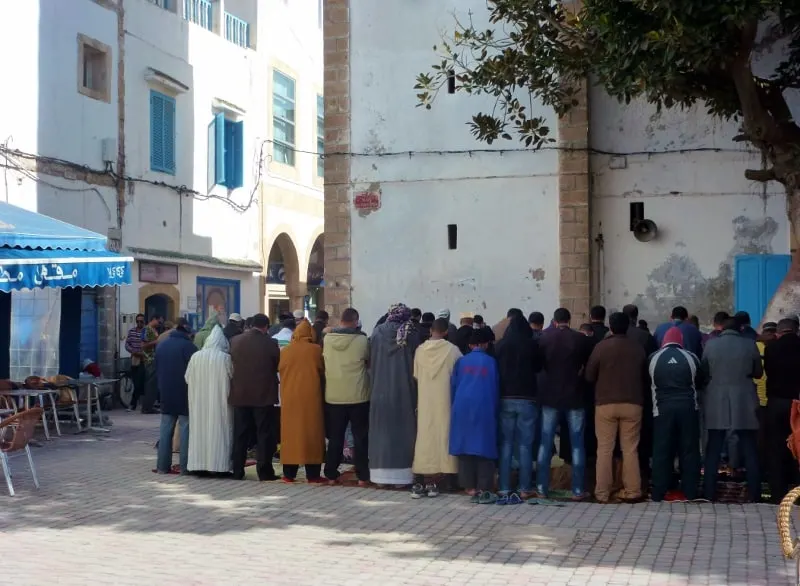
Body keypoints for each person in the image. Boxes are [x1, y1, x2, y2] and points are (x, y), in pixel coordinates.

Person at [585, 312, 647, 503]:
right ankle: (633, 491)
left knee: (604, 449)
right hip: (633, 403)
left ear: (610, 327)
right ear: (627, 327)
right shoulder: (638, 348)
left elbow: (589, 375)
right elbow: (645, 375)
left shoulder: (601, 347)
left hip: (605, 404)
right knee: (630, 449)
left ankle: (602, 493)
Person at [700, 317, 763, 502]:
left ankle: (709, 493)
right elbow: (758, 372)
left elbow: (704, 372)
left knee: (713, 447)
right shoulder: (750, 345)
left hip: (716, 400)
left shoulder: (711, 345)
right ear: (741, 329)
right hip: (744, 400)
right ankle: (755, 494)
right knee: (749, 447)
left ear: (721, 330)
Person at [536, 308, 593, 500]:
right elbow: (587, 365)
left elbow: (539, 366)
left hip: (550, 397)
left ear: (554, 320)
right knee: (577, 443)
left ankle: (542, 488)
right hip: (574, 396)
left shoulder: (544, 338)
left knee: (545, 442)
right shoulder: (580, 339)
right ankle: (577, 490)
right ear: (569, 320)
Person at [647, 327, 702, 501]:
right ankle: (690, 491)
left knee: (662, 450)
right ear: (681, 340)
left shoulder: (653, 358)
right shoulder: (691, 357)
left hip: (662, 410)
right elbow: (700, 381)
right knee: (689, 450)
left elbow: (648, 382)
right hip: (688, 409)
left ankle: (658, 492)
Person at [369, 303, 421, 487]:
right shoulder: (411, 333)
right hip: (405, 390)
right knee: (404, 432)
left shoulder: (377, 333)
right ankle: (402, 478)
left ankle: (380, 477)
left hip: (380, 389)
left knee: (381, 433)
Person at [410, 318, 463, 498]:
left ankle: (422, 473)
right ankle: (448, 479)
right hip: (445, 399)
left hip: (425, 399)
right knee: (445, 435)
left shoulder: (419, 351)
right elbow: (460, 373)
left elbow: (416, 375)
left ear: (430, 330)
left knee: (425, 435)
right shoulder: (453, 351)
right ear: (446, 331)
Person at [494, 314, 542, 503]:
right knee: (525, 445)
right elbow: (539, 368)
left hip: (505, 397)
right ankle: (524, 488)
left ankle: (504, 487)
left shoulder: (501, 346)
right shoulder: (532, 345)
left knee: (505, 444)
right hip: (527, 398)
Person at [229, 313, 282, 481]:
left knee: (240, 434)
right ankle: (264, 471)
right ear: (266, 327)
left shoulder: (235, 341)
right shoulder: (271, 344)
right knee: (263, 434)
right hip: (263, 396)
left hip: (240, 394)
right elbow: (277, 365)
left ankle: (237, 470)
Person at [449, 328, 499, 503]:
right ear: (485, 344)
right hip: (484, 405)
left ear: (470, 345)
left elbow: (453, 385)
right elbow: (495, 386)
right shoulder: (491, 362)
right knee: (484, 447)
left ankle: (468, 485)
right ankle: (483, 487)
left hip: (462, 405)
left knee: (465, 447)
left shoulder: (461, 362)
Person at [323, 307, 371, 486]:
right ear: (356, 321)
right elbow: (367, 360)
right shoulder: (362, 340)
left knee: (336, 437)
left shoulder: (327, 339)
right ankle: (363, 476)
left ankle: (330, 474)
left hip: (334, 395)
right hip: (358, 395)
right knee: (360, 437)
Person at [278, 320, 326, 483]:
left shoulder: (285, 351)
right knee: (311, 433)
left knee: (290, 435)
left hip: (290, 398)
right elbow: (321, 369)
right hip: (310, 398)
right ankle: (312, 474)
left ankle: (288, 474)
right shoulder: (315, 350)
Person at [185, 324, 233, 474]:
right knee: (219, 431)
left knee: (199, 431)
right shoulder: (225, 358)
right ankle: (219, 467)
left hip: (199, 402)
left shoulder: (195, 357)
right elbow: (232, 376)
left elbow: (187, 378)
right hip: (219, 401)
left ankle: (198, 466)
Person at [154, 318, 197, 474]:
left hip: (165, 392)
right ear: (186, 332)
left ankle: (162, 466)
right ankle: (185, 467)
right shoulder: (189, 347)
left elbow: (156, 369)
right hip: (184, 392)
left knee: (165, 431)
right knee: (185, 429)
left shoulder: (161, 346)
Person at [764, 318, 800, 502]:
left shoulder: (771, 348)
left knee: (776, 447)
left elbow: (768, 371)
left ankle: (777, 493)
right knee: (798, 447)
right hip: (798, 403)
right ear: (796, 330)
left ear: (779, 331)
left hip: (776, 402)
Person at [141, 314, 162, 414]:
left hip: (155, 358)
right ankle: (147, 407)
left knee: (153, 384)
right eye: (158, 321)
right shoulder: (147, 329)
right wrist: (156, 342)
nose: (159, 324)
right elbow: (143, 345)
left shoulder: (154, 330)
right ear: (153, 319)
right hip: (149, 359)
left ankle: (150, 405)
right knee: (150, 384)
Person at [125, 314, 146, 412]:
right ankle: (137, 403)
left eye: (141, 321)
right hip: (134, 359)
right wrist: (132, 351)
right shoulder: (132, 332)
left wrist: (143, 353)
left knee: (139, 383)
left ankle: (133, 404)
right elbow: (127, 344)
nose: (139, 323)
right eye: (138, 321)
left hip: (144, 360)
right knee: (136, 382)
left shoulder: (146, 332)